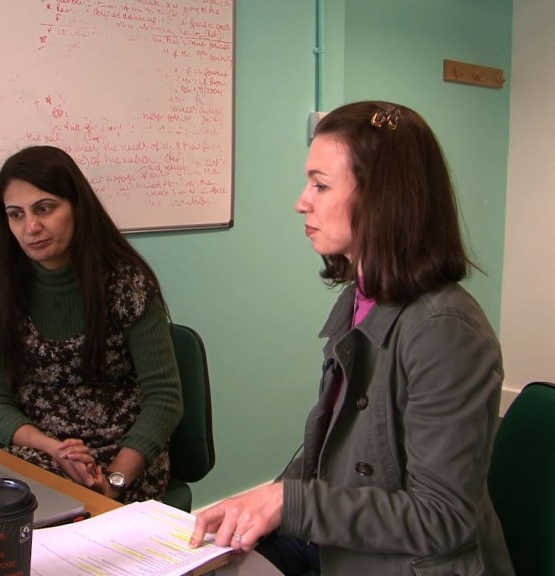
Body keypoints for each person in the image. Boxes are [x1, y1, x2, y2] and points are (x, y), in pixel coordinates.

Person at [189, 101, 516, 575]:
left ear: (382, 199)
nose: (302, 201)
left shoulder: (445, 332)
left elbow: (444, 519)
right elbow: (336, 455)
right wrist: (255, 503)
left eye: (320, 185)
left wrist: (290, 502)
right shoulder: (362, 299)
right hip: (342, 547)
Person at [0, 145, 183, 504]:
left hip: (120, 461)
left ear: (77, 207)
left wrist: (113, 481)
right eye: (16, 214)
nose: (31, 227)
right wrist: (52, 448)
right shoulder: (0, 290)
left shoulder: (127, 285)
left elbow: (165, 399)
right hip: (38, 454)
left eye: (45, 208)